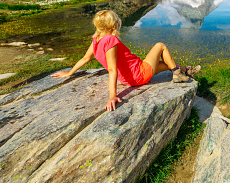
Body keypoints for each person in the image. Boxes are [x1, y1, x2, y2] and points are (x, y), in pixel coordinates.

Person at [52, 10, 200, 111]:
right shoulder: (110, 39)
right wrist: (112, 96)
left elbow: (86, 58)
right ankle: (178, 73)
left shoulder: (96, 39)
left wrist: (70, 73)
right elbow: (111, 69)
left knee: (167, 64)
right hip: (140, 74)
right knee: (160, 46)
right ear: (114, 25)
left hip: (132, 75)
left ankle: (186, 71)